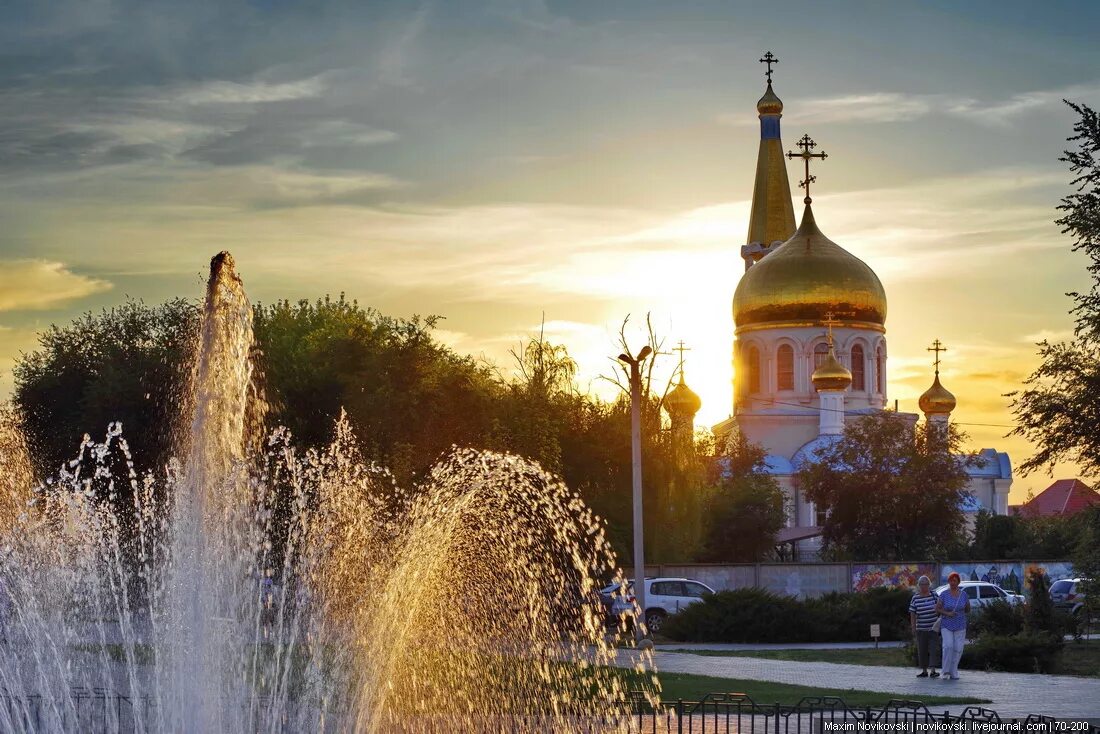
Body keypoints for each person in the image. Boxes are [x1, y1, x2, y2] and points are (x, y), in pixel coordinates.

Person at [936, 571, 970, 680]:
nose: (952, 582)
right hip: (947, 624)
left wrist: (967, 604)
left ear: (958, 582)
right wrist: (947, 613)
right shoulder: (944, 594)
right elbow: (937, 608)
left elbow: (967, 610)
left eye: (955, 580)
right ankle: (945, 671)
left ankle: (953, 671)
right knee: (948, 646)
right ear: (949, 582)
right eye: (951, 580)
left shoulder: (963, 595)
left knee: (958, 649)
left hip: (960, 625)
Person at [908, 576, 940, 678]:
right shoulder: (915, 598)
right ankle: (924, 671)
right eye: (921, 584)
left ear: (929, 585)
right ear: (919, 585)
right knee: (922, 650)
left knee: (933, 649)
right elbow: (912, 614)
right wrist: (913, 628)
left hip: (934, 628)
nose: (924, 586)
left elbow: (941, 607)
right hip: (921, 628)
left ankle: (933, 671)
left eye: (926, 584)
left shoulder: (934, 595)